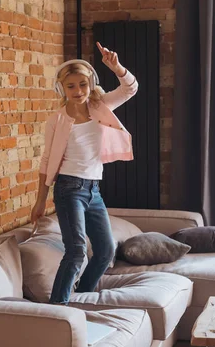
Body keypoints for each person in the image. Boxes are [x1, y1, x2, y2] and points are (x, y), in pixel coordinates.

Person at [30, 42, 139, 305]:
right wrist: (40, 200)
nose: (78, 91)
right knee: (77, 250)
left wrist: (116, 67)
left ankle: (82, 297)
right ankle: (58, 307)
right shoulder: (57, 119)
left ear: (90, 85)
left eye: (82, 84)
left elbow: (131, 89)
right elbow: (46, 161)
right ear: (62, 88)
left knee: (105, 251)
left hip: (93, 190)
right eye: (71, 86)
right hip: (68, 190)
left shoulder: (100, 107)